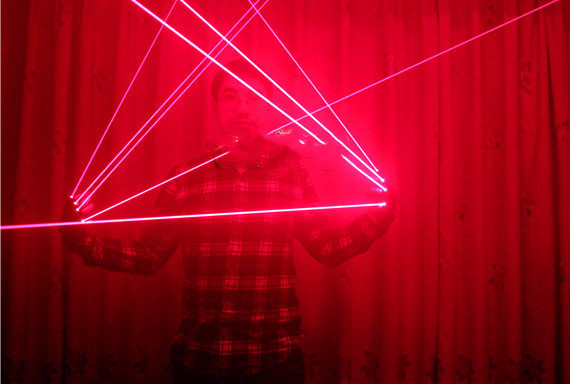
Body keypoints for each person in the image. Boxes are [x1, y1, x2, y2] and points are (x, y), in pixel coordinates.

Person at [61, 60, 396, 383]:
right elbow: (149, 255)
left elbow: (327, 247)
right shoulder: (185, 178)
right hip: (199, 361)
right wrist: (83, 240)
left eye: (255, 98)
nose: (243, 108)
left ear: (268, 109)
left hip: (275, 362)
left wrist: (378, 216)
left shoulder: (292, 173)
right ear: (217, 107)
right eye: (231, 97)